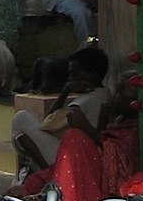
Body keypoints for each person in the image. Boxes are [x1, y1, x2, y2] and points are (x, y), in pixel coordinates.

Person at [14, 69, 141, 201]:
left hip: (86, 162)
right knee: (34, 181)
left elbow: (118, 157)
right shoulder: (117, 116)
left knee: (73, 137)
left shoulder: (94, 99)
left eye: (121, 93)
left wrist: (85, 126)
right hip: (81, 157)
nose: (115, 97)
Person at [10, 45, 111, 175]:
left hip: (71, 155)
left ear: (91, 74)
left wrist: (66, 90)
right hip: (77, 151)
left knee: (20, 120)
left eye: (75, 73)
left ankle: (49, 174)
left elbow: (47, 124)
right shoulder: (104, 93)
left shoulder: (87, 101)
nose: (70, 78)